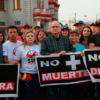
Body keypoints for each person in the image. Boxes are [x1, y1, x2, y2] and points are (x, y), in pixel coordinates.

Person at [41, 21, 75, 100]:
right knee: (51, 89)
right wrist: (55, 54)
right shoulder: (45, 40)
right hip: (51, 69)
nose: (55, 28)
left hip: (63, 69)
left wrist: (66, 52)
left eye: (57, 27)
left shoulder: (66, 39)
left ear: (60, 29)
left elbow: (72, 50)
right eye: (53, 27)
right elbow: (43, 53)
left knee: (63, 90)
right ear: (50, 29)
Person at [10, 31, 41, 100]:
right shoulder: (20, 48)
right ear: (25, 37)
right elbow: (16, 61)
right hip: (26, 73)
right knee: (27, 93)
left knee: (36, 92)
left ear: (35, 37)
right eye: (28, 36)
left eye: (32, 36)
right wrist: (18, 73)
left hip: (37, 73)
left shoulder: (39, 47)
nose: (30, 37)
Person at [3, 26, 23, 100]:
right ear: (8, 33)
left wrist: (20, 63)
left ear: (17, 33)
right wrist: (12, 62)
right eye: (11, 32)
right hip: (10, 69)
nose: (13, 34)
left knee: (20, 89)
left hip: (21, 69)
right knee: (11, 91)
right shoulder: (5, 45)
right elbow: (4, 59)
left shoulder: (21, 43)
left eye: (14, 32)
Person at [69, 30, 85, 100]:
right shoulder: (66, 46)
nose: (74, 37)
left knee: (77, 91)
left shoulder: (82, 47)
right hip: (68, 72)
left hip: (78, 72)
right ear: (69, 37)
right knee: (69, 90)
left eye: (76, 35)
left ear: (78, 37)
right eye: (72, 35)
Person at [89, 19, 100, 100]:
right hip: (97, 65)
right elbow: (91, 48)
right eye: (98, 26)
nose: (99, 28)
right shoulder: (93, 36)